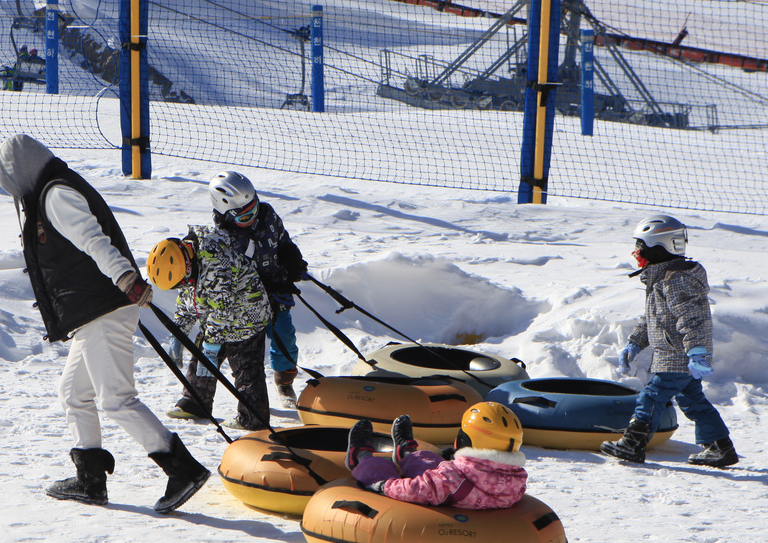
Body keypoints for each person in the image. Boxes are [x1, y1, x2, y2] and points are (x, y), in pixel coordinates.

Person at [0, 134, 210, 514]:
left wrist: (126, 278)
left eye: (9, 180)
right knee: (73, 392)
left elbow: (95, 241)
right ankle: (90, 478)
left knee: (116, 399)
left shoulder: (56, 196)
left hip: (104, 307)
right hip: (93, 312)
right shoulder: (48, 194)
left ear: (21, 171)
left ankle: (182, 469)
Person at [600, 214, 739, 467]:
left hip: (677, 354)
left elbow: (692, 317)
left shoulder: (676, 279)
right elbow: (652, 318)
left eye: (640, 247)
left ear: (658, 248)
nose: (635, 253)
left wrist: (697, 352)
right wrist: (635, 342)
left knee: (651, 398)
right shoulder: (661, 277)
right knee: (693, 401)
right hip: (673, 353)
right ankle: (720, 447)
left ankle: (632, 444)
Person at [147, 226, 272, 430]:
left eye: (183, 282)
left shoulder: (217, 263)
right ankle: (196, 403)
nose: (183, 286)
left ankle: (253, 416)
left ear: (187, 267)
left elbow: (222, 310)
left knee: (245, 368)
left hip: (247, 318)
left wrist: (211, 347)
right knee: (200, 357)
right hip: (216, 318)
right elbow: (187, 301)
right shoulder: (191, 263)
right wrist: (178, 336)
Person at [208, 171, 309, 403]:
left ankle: (284, 382)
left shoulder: (268, 216)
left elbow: (282, 240)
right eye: (244, 217)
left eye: (254, 209)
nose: (252, 218)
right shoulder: (222, 240)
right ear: (226, 215)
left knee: (285, 338)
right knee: (240, 351)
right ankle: (210, 387)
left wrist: (291, 258)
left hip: (277, 291)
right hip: (246, 306)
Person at [345, 403, 528, 509]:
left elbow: (414, 489)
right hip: (457, 491)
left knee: (379, 470)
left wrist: (385, 486)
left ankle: (360, 456)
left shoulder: (449, 480)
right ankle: (406, 453)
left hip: (443, 493)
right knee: (432, 461)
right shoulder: (516, 480)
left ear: (465, 440)